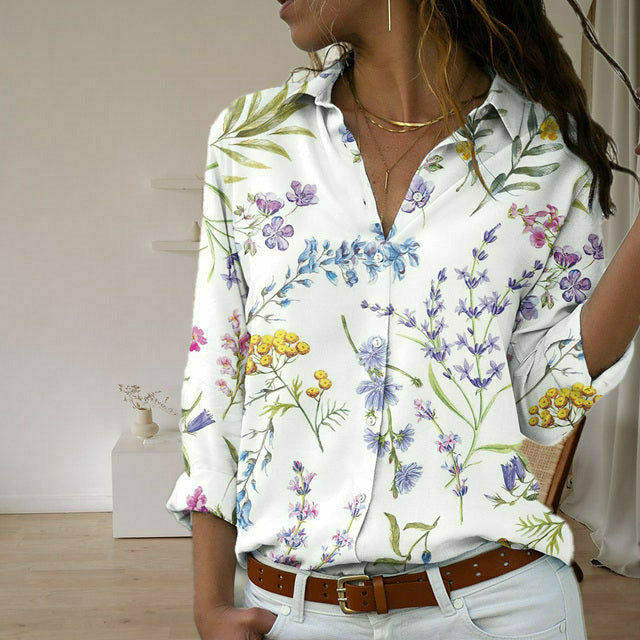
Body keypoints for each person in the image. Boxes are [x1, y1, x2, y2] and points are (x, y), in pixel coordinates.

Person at [165, 1, 640, 638]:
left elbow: (544, 404)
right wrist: (210, 603)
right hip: (292, 613)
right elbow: (216, 381)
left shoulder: (547, 151)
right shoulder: (252, 138)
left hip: (499, 606)